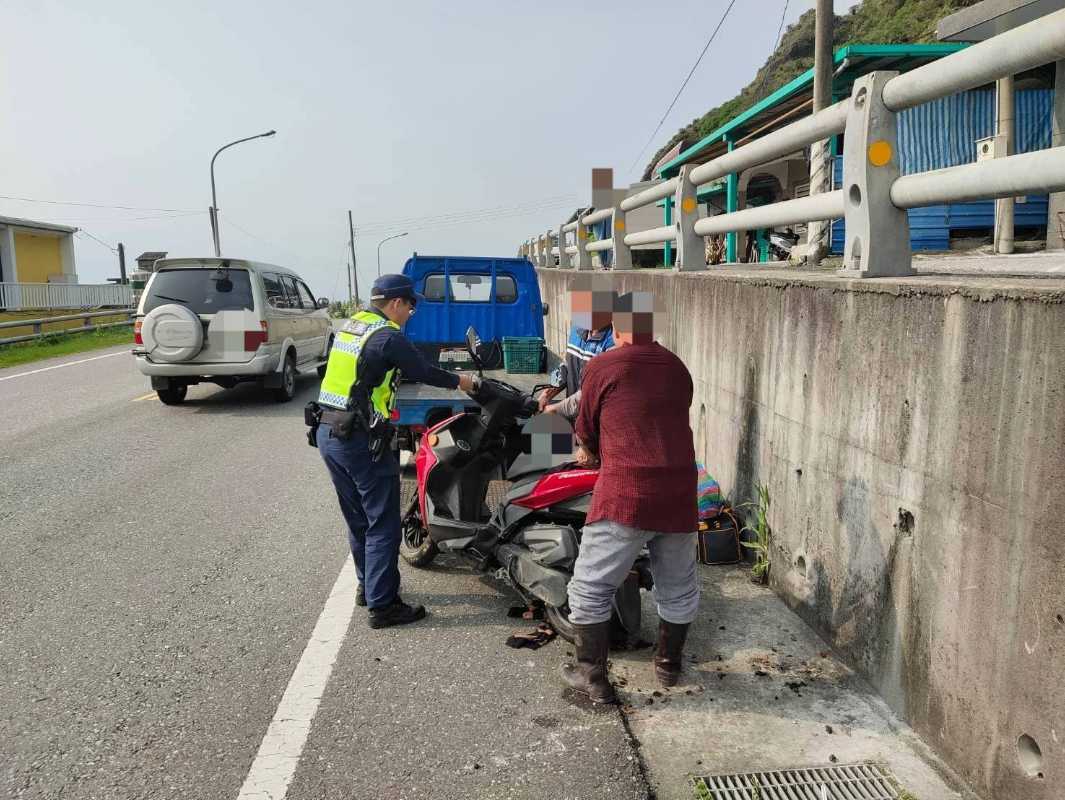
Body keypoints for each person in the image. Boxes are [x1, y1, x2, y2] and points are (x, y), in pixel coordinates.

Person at [316, 274, 477, 628]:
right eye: (410, 306)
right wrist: (463, 381)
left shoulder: (353, 325)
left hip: (329, 432)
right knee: (383, 523)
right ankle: (383, 606)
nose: (411, 313)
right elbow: (422, 369)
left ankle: (367, 588)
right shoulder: (387, 335)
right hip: (359, 440)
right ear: (395, 304)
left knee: (358, 518)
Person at [562, 291, 699, 704]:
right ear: (651, 325)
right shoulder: (677, 367)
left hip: (627, 493)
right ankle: (669, 666)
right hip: (679, 491)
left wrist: (587, 448)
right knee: (678, 585)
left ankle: (592, 676)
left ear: (617, 327)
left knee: (590, 586)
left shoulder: (603, 366)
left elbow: (586, 427)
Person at [538, 276, 615, 417]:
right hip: (572, 414)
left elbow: (592, 392)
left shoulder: (613, 345)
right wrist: (549, 392)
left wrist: (555, 409)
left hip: (594, 422)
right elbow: (567, 367)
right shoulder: (577, 329)